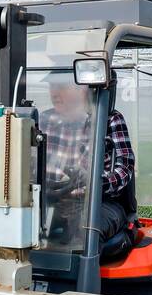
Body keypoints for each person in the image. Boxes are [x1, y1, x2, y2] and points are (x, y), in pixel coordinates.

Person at [38, 76, 137, 260]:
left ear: (83, 89)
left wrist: (95, 182)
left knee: (86, 230)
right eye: (52, 86)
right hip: (52, 201)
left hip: (99, 202)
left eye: (61, 86)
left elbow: (125, 170)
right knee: (17, 226)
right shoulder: (45, 120)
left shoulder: (109, 120)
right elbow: (31, 161)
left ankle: (84, 287)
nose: (54, 93)